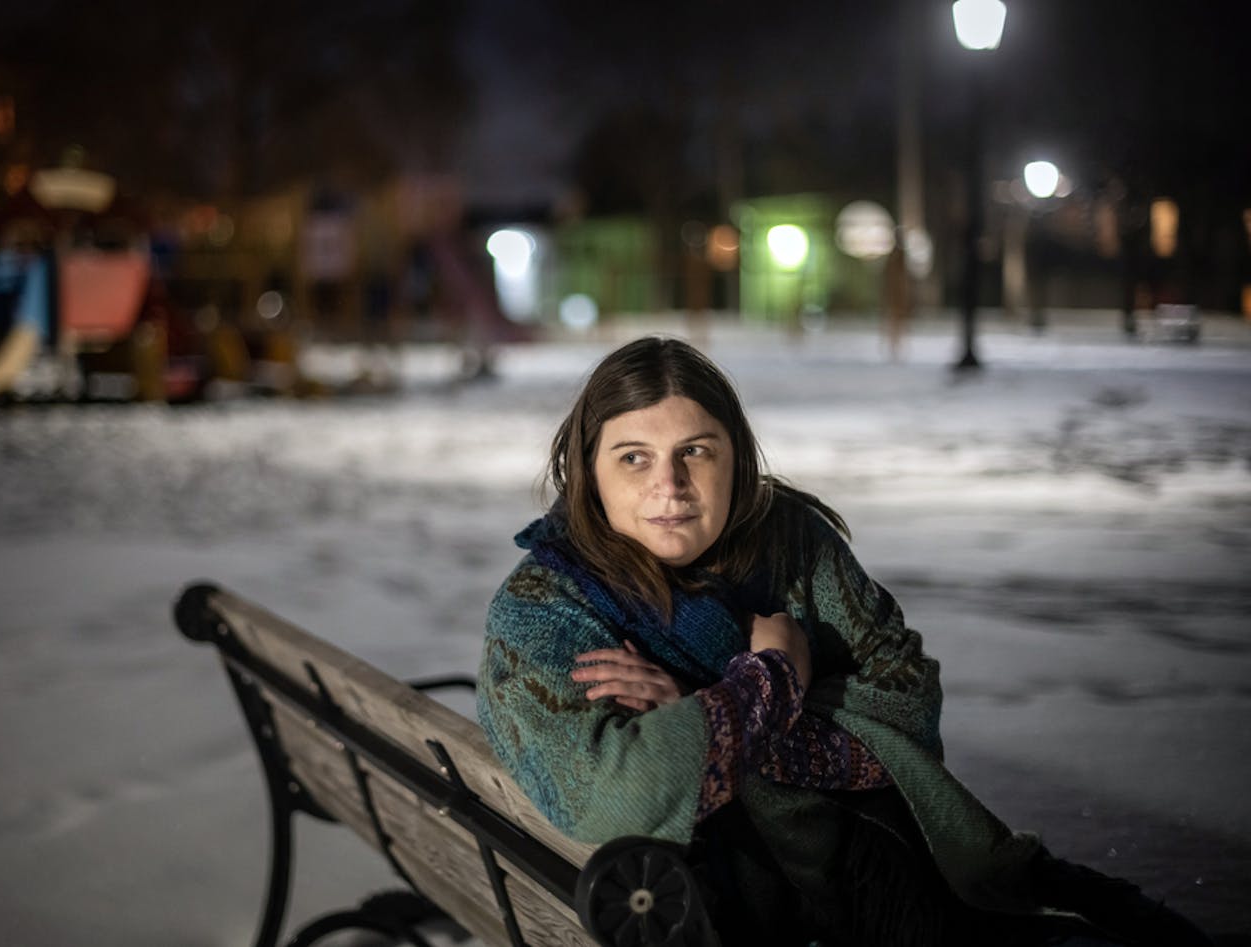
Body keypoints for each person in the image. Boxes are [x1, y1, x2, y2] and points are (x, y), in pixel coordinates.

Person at [477, 336, 1213, 947]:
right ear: (589, 471)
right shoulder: (547, 610)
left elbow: (908, 697)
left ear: (737, 455)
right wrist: (769, 679)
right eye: (633, 456)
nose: (670, 485)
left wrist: (708, 720)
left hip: (869, 871)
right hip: (770, 909)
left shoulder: (789, 543)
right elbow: (614, 800)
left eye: (696, 451)